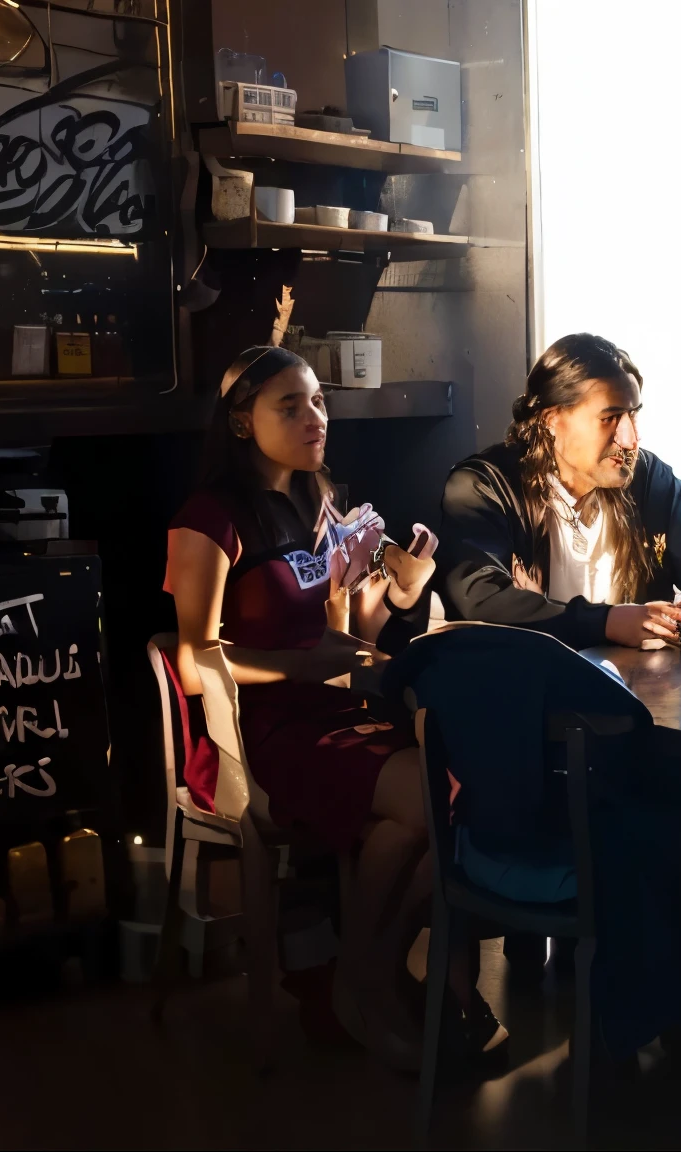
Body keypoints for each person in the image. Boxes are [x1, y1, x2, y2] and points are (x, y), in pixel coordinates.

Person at [162, 345, 504, 1069]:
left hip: (330, 715)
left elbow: (346, 641)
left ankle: (365, 975)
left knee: (453, 794)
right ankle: (367, 981)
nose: (314, 416)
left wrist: (396, 594)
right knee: (423, 803)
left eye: (318, 401)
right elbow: (195, 663)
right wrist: (300, 665)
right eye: (290, 405)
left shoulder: (319, 504)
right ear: (241, 422)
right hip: (261, 734)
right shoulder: (211, 518)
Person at [416, 332, 681, 649]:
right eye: (610, 418)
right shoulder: (486, 486)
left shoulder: (647, 480)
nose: (630, 439)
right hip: (526, 694)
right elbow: (478, 594)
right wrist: (608, 622)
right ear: (551, 419)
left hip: (640, 692)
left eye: (632, 416)